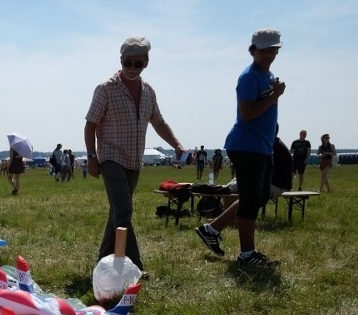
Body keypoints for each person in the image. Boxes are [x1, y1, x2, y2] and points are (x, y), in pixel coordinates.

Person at [84, 36, 186, 274]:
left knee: (118, 211)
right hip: (110, 157)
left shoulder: (148, 91)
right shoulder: (105, 89)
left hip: (134, 160)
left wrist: (177, 144)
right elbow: (90, 125)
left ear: (146, 63)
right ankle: (135, 266)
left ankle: (102, 261)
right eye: (127, 63)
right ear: (120, 61)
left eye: (137, 64)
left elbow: (159, 122)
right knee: (124, 210)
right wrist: (91, 157)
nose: (131, 68)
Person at [195, 29, 285, 265]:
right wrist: (274, 96)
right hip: (247, 146)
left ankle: (212, 230)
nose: (269, 54)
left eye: (273, 49)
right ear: (253, 50)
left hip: (262, 147)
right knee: (251, 199)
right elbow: (247, 114)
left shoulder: (268, 75)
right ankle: (247, 254)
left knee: (257, 197)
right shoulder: (249, 77)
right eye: (263, 50)